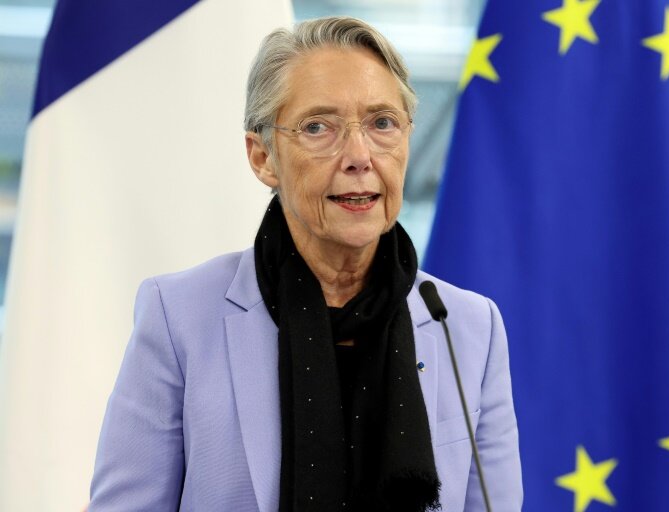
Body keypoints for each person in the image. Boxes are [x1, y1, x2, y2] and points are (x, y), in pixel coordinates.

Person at [89, 16, 522, 512]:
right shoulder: (179, 317)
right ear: (262, 157)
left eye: (382, 123)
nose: (359, 155)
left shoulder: (467, 326)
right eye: (319, 127)